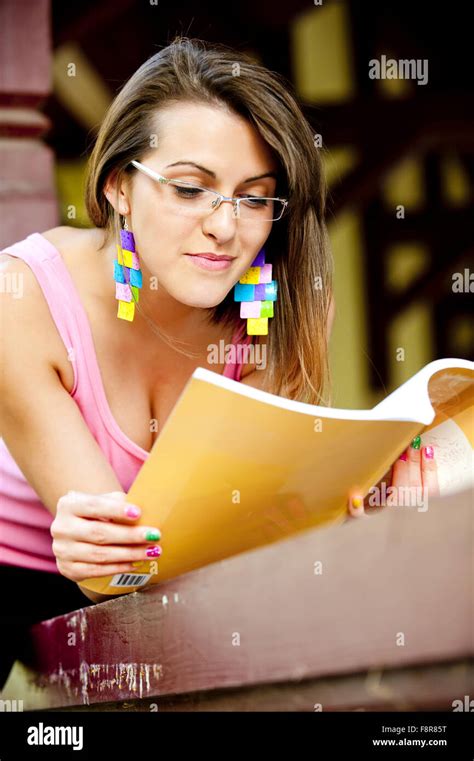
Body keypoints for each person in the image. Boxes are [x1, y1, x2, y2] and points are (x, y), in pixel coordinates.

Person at [0, 36, 438, 690]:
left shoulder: (281, 309)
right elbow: (119, 568)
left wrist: (357, 511)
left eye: (255, 197)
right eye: (189, 188)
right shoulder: (22, 297)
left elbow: (243, 539)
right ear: (119, 186)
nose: (225, 227)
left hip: (158, 595)